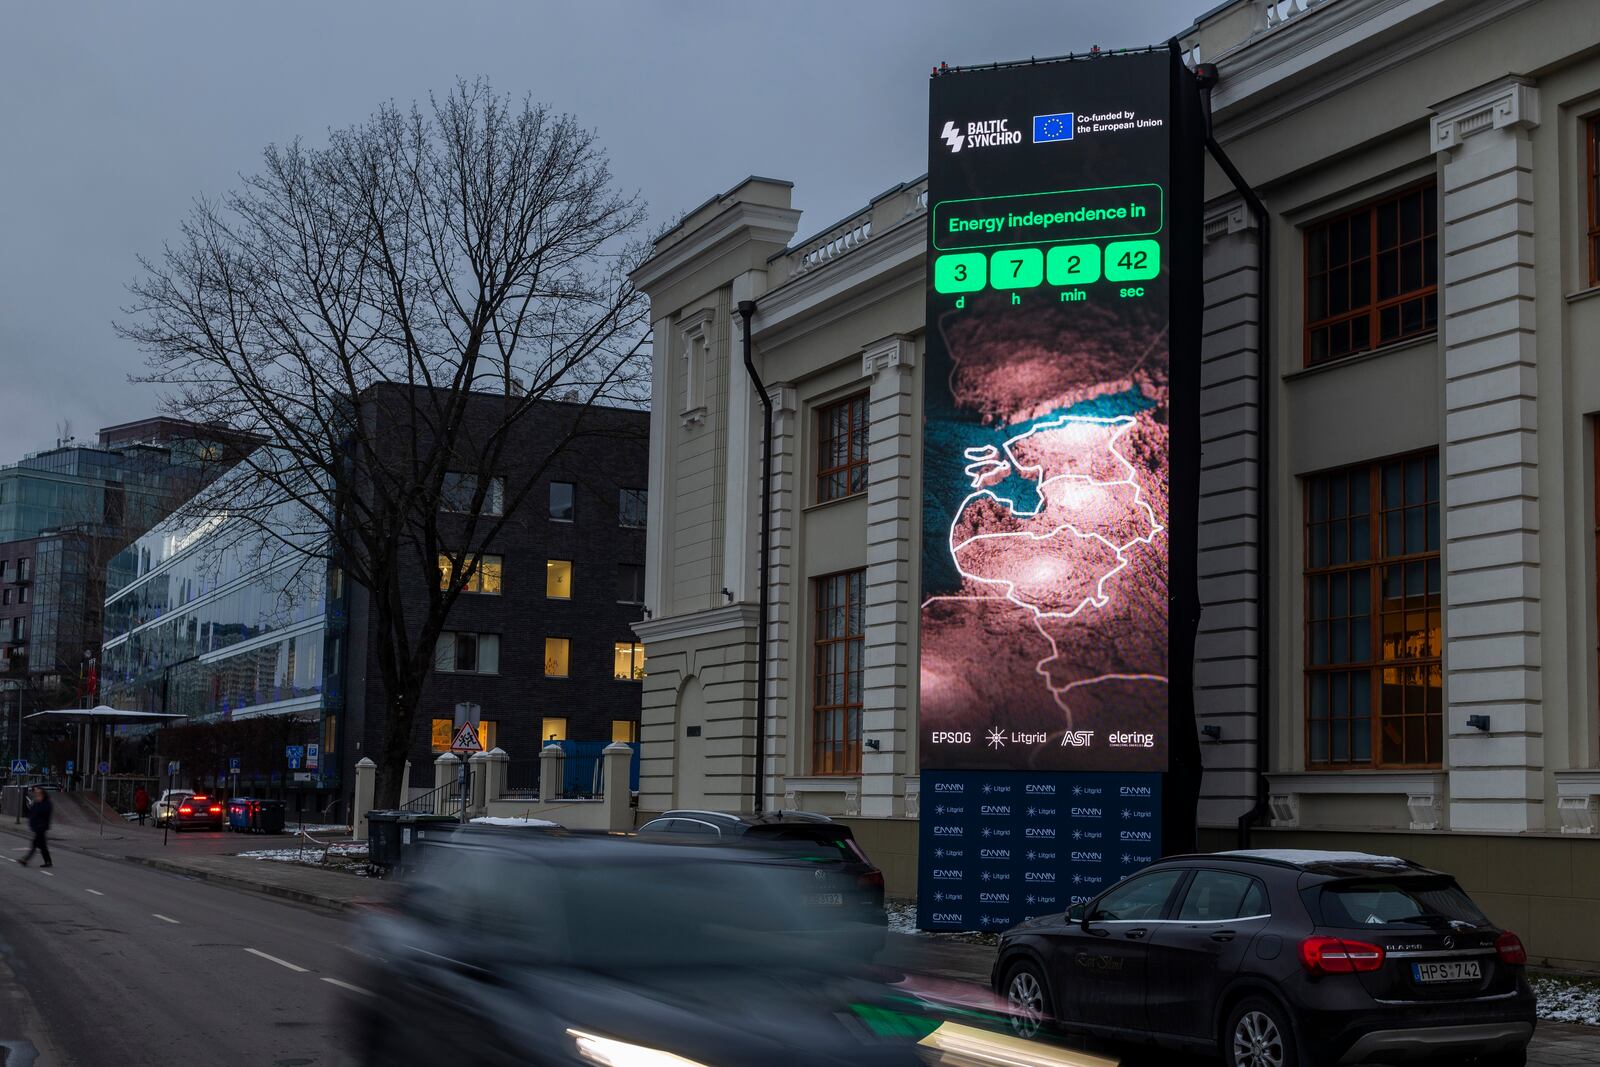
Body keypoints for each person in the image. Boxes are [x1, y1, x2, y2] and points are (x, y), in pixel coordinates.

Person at [19, 787, 52, 868]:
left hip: (41, 827)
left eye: (39, 793)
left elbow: (44, 814)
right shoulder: (36, 803)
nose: (37, 795)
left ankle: (25, 859)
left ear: (43, 795)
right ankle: (48, 861)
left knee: (34, 844)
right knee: (42, 845)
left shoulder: (47, 803)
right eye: (36, 793)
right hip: (37, 827)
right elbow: (32, 813)